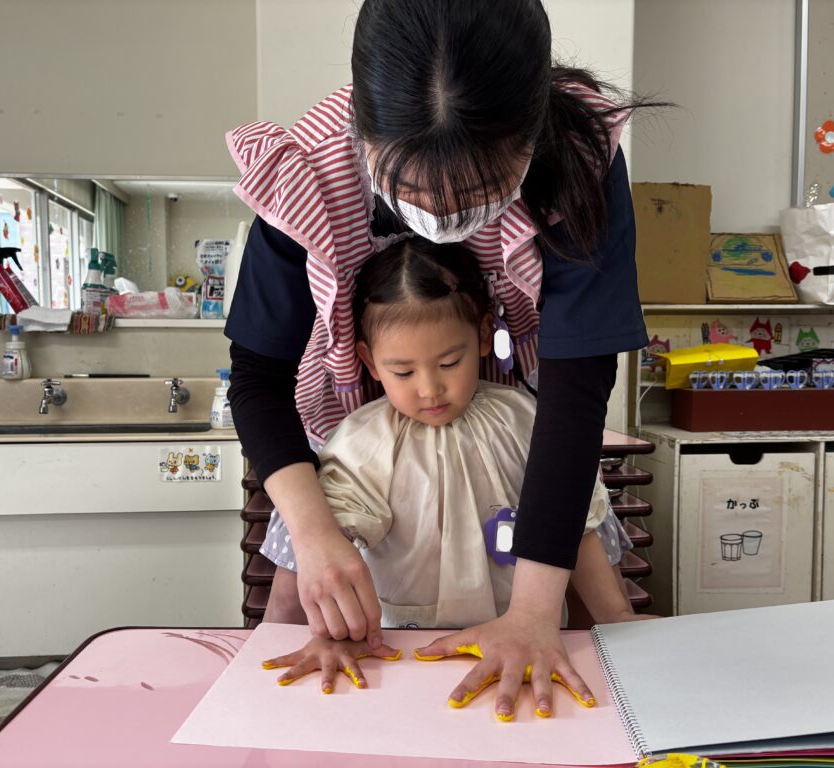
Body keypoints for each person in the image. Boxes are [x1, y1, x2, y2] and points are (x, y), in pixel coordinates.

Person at [224, 0, 652, 720]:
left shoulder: (577, 158)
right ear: (364, 135)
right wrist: (316, 536)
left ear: (533, 138)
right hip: (349, 456)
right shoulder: (309, 174)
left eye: (481, 191)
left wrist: (534, 615)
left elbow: (577, 392)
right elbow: (257, 380)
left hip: (517, 455)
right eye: (412, 190)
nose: (446, 214)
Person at [260, 240, 655, 718]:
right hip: (395, 662)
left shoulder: (527, 422)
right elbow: (325, 553)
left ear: (484, 336)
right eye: (403, 371)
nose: (430, 389)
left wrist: (616, 618)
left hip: (523, 651)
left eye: (450, 363)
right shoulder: (361, 441)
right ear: (368, 360)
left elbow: (577, 522)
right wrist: (328, 634)